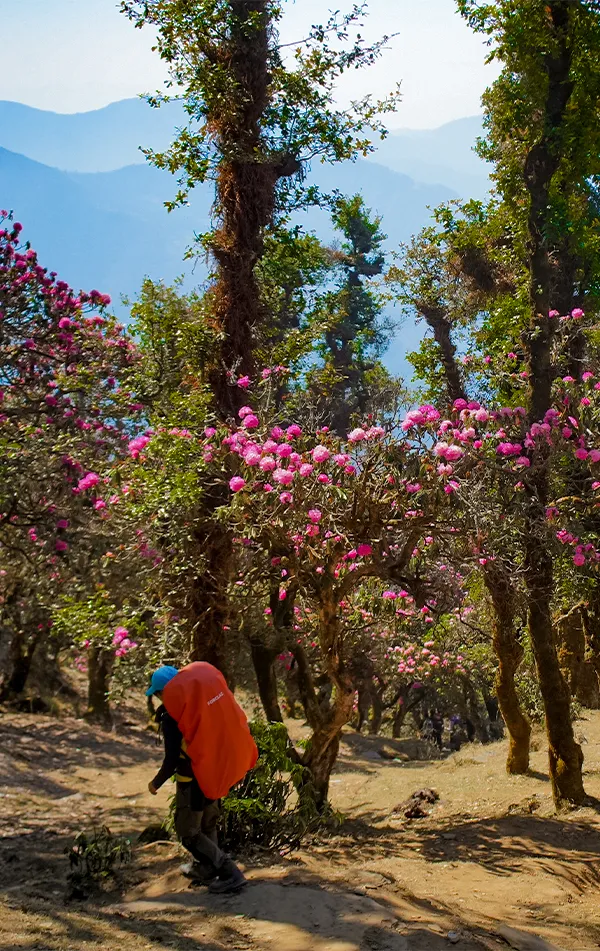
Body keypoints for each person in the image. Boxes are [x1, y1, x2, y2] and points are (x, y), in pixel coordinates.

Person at [146, 662, 258, 894]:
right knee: (208, 824)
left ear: (164, 692)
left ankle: (230, 873)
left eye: (158, 694)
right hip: (212, 775)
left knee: (188, 831)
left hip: (191, 782)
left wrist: (155, 783)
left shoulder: (171, 717)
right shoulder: (201, 709)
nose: (159, 699)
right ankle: (208, 869)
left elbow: (172, 760)